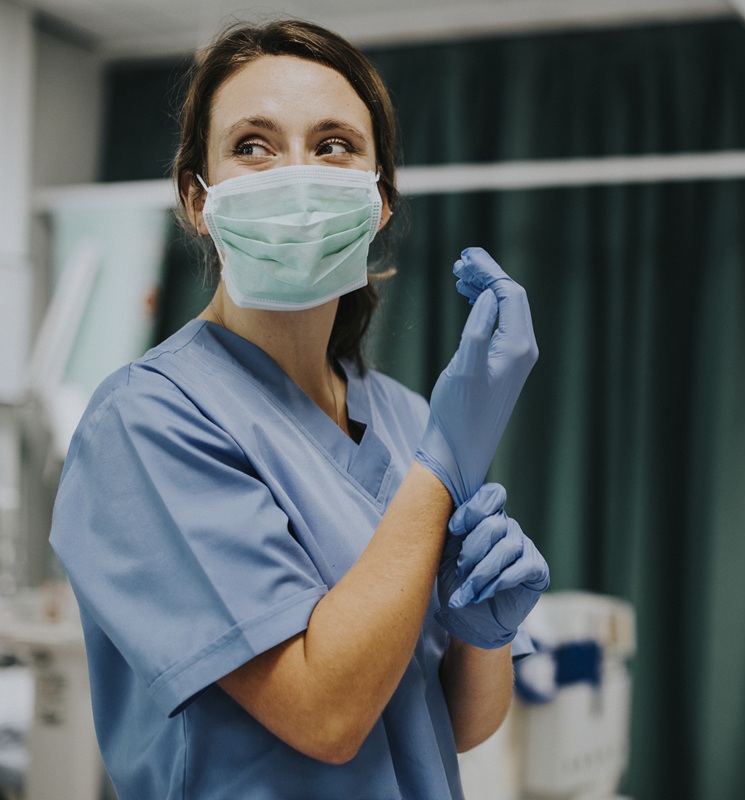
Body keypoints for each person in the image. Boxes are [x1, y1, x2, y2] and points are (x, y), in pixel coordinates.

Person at [48, 18, 547, 800]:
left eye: (334, 144)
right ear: (195, 199)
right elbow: (327, 715)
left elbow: (445, 724)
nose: (297, 175)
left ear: (378, 201)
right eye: (252, 145)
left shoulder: (409, 418)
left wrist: (484, 638)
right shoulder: (146, 424)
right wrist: (443, 466)